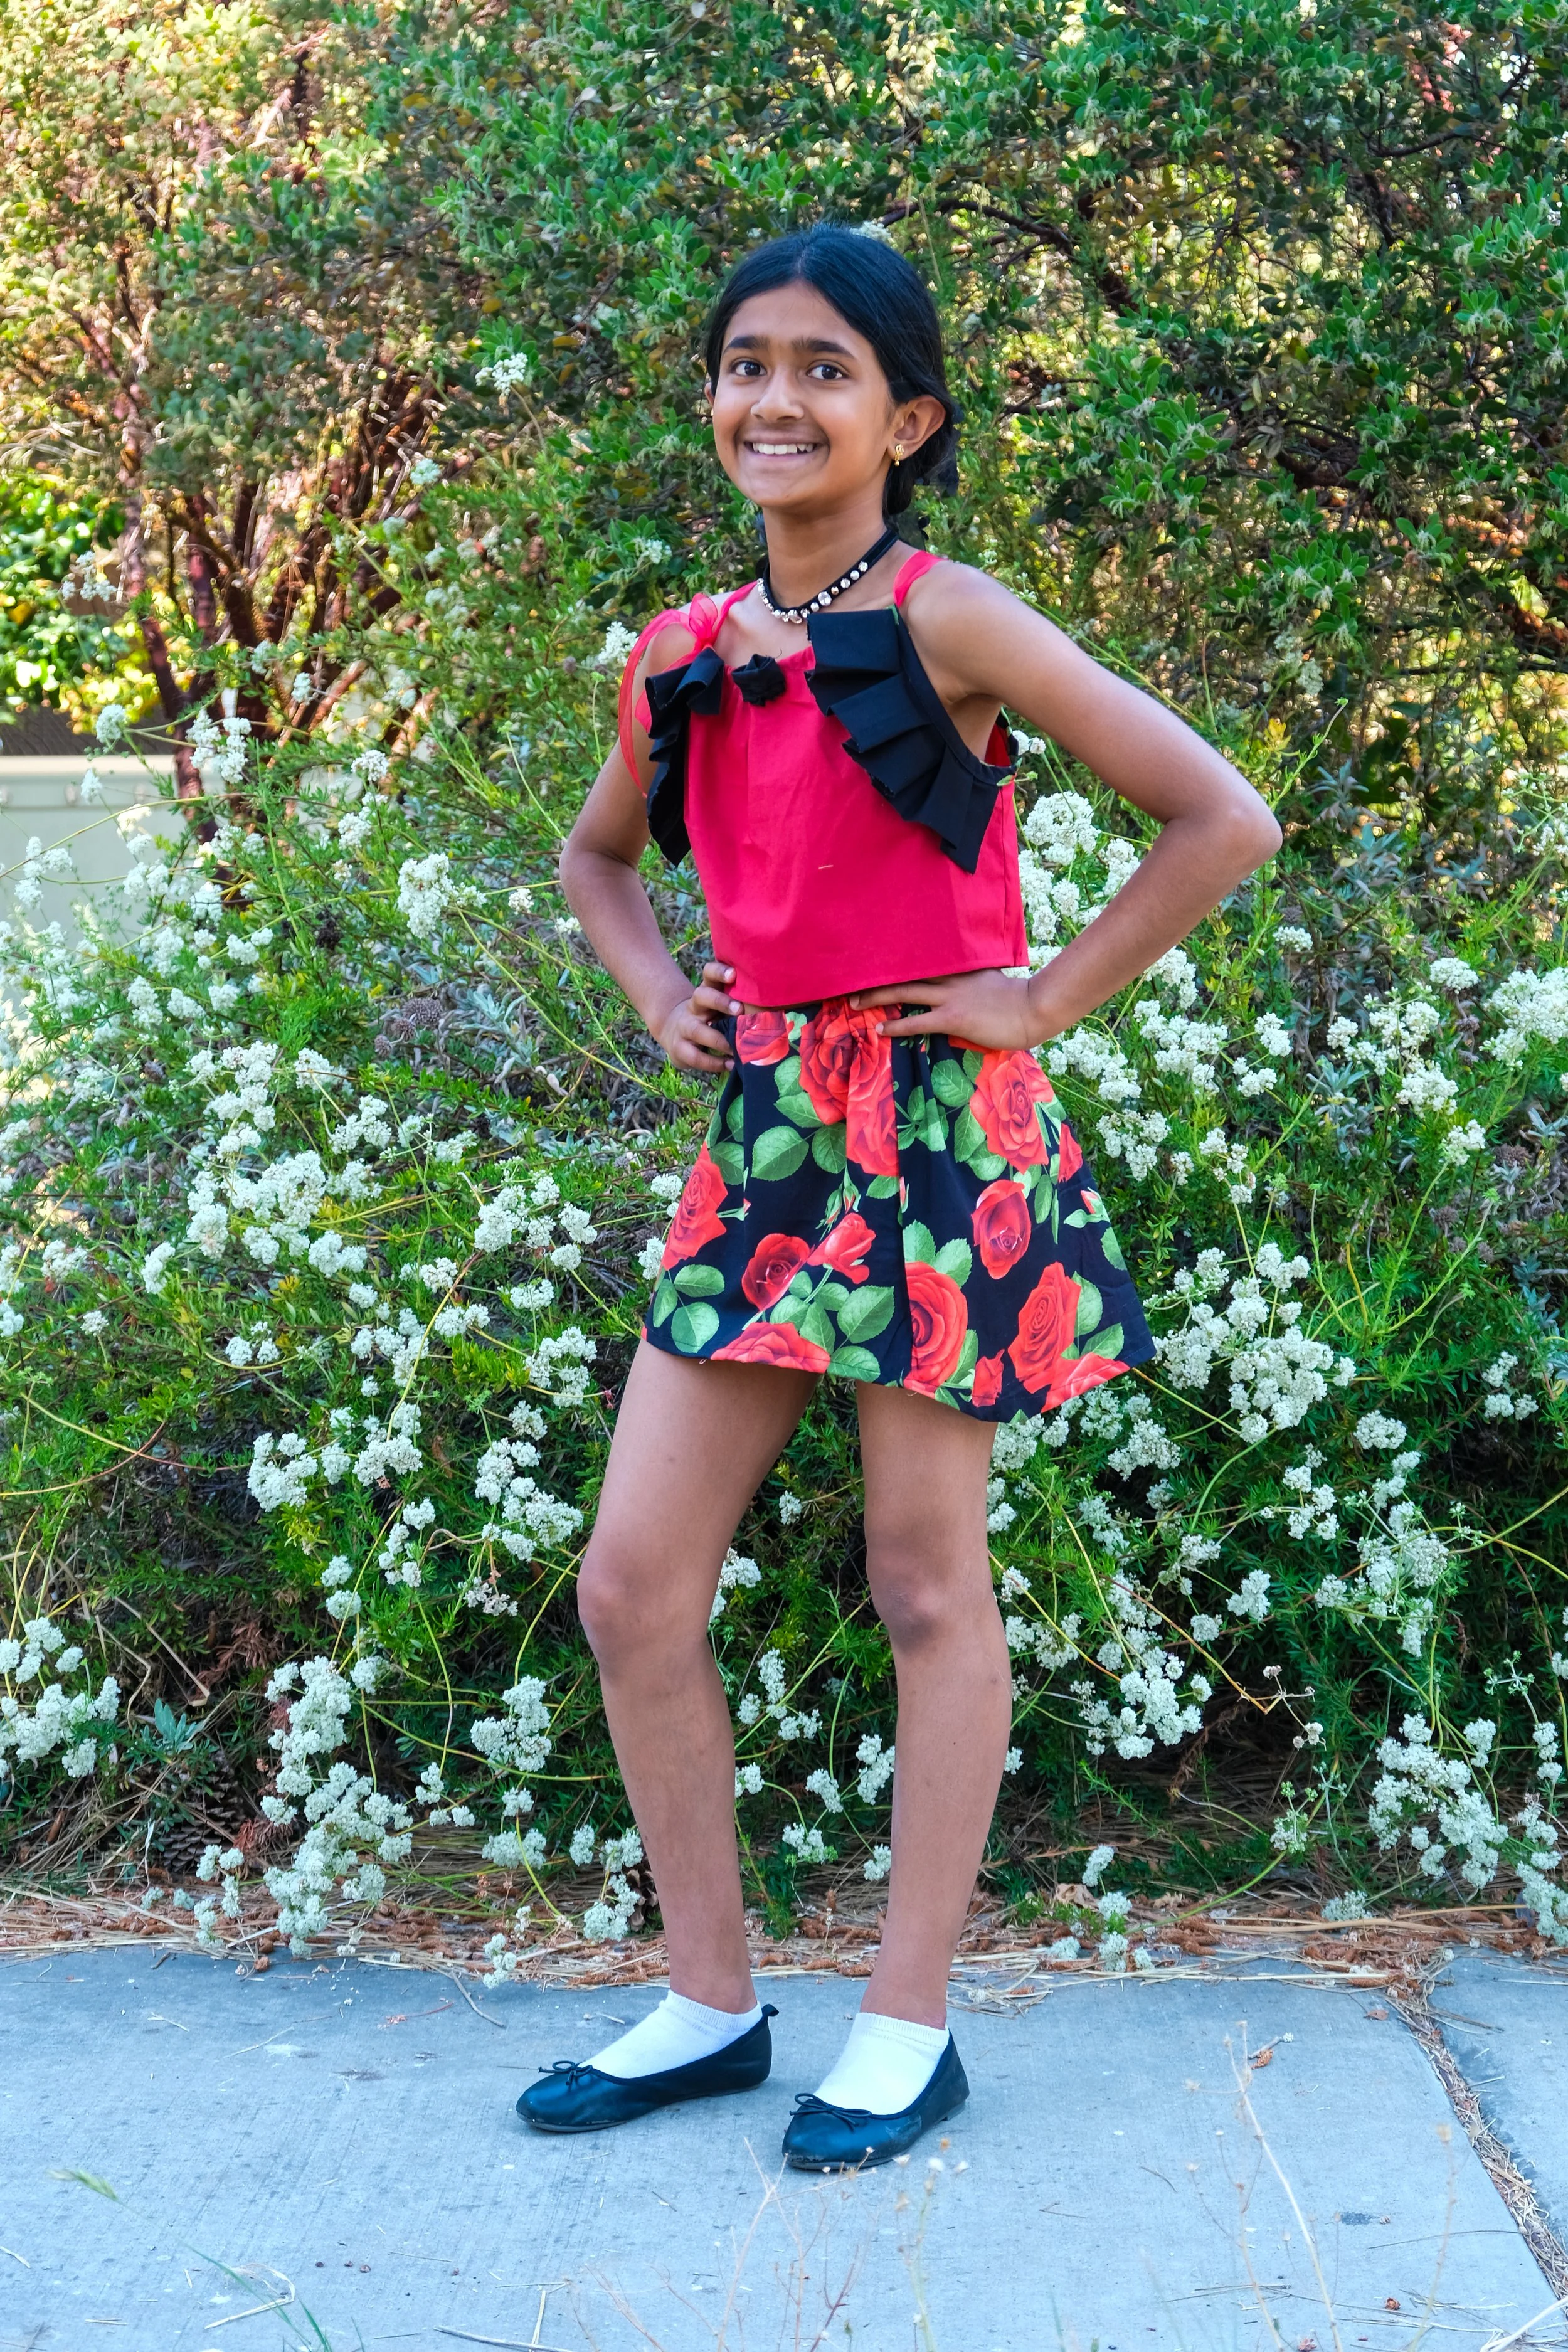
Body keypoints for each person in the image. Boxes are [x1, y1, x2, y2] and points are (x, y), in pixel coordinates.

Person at [518, 224, 1280, 2169]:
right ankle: (707, 1997)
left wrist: (1040, 993)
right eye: (745, 363)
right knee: (629, 1582)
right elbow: (602, 864)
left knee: (926, 1582)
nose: (774, 397)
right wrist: (651, 983)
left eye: (824, 369)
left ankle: (907, 2021)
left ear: (904, 415)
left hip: (939, 1134)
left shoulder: (951, 615)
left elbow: (1220, 817)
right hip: (769, 1134)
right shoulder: (678, 651)